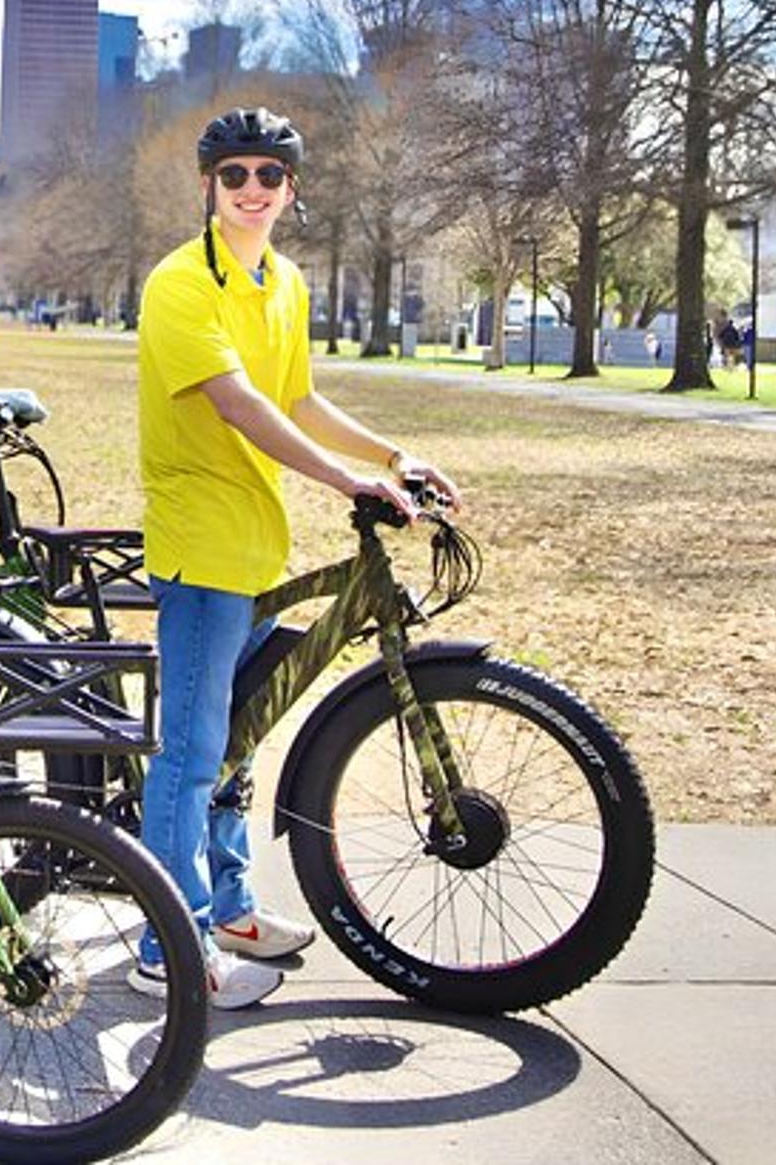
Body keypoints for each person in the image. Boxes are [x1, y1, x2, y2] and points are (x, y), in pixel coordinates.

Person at [132, 107, 461, 1010]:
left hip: (258, 540)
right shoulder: (178, 283)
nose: (250, 190)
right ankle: (170, 945)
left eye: (267, 176)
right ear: (209, 184)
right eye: (234, 174)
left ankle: (230, 906)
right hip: (202, 543)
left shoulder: (281, 281)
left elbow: (299, 397)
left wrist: (393, 457)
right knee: (193, 754)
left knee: (236, 742)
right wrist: (345, 482)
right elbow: (238, 404)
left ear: (291, 188)